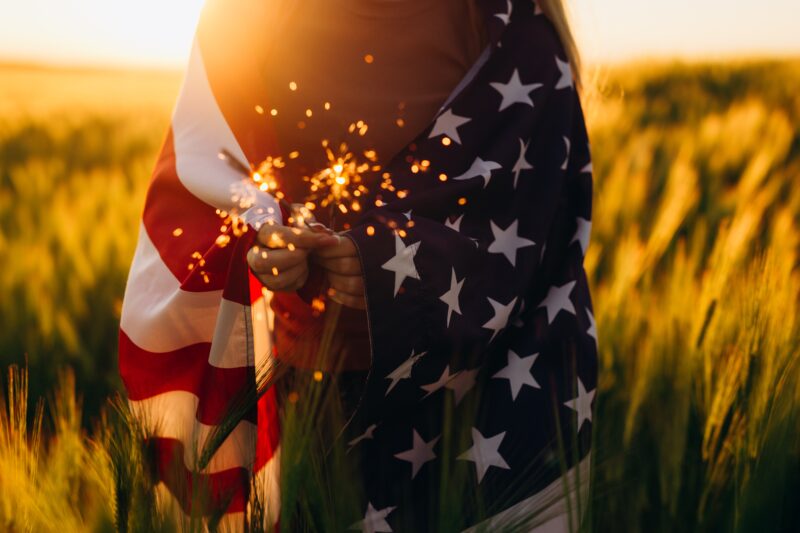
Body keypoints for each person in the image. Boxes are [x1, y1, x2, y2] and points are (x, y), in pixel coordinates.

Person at [118, 0, 597, 530]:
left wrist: (398, 262)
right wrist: (267, 238)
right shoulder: (249, 17)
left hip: (476, 404)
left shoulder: (512, 31)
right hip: (315, 399)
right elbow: (214, 177)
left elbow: (531, 219)